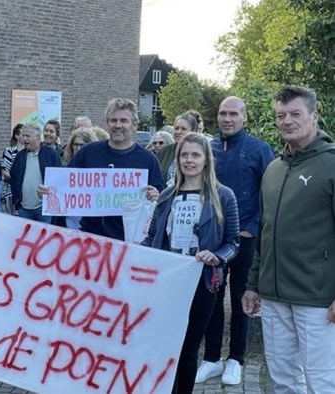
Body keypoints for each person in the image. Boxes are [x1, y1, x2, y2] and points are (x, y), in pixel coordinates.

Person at [242, 85, 335, 394]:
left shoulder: (331, 165)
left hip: (316, 298)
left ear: (314, 115)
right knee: (281, 381)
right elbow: (265, 232)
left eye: (295, 114)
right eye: (281, 115)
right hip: (272, 296)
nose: (287, 121)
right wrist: (254, 284)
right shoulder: (273, 169)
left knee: (320, 382)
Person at [142, 132, 240, 394]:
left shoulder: (224, 195)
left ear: (206, 160)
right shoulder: (166, 196)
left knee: (187, 348)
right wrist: (125, 255)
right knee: (165, 346)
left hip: (201, 282)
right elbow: (152, 238)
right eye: (184, 155)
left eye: (195, 155)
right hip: (167, 282)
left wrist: (217, 256)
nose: (189, 160)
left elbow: (234, 242)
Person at [195, 97, 274, 385]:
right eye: (222, 114)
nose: (227, 119)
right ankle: (212, 358)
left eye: (233, 114)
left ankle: (236, 359)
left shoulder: (259, 149)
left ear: (244, 116)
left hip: (244, 239)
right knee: (211, 297)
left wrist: (252, 228)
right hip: (213, 240)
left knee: (242, 297)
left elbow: (270, 192)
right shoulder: (209, 148)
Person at [65, 98, 164, 240]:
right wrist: (48, 191)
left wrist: (156, 196)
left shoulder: (148, 160)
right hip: (90, 237)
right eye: (113, 120)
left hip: (129, 240)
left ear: (134, 125)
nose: (118, 125)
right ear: (107, 123)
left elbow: (160, 198)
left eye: (124, 121)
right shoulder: (87, 153)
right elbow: (66, 185)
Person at [10, 124, 62, 223]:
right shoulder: (19, 157)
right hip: (23, 209)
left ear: (37, 137)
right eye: (23, 135)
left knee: (45, 237)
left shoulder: (51, 154)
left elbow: (59, 177)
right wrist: (17, 203)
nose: (24, 139)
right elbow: (13, 179)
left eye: (27, 136)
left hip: (44, 208)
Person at [61, 127, 99, 229]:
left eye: (82, 145)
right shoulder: (65, 166)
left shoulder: (99, 168)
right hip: (71, 215)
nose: (78, 149)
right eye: (75, 145)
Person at [157, 112, 199, 187]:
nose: (178, 132)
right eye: (176, 128)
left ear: (193, 131)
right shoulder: (163, 152)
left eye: (183, 129)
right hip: (165, 196)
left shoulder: (200, 153)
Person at [1, 124, 25, 215]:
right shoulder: (9, 151)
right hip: (12, 190)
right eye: (23, 135)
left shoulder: (29, 152)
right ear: (16, 136)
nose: (25, 137)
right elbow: (4, 171)